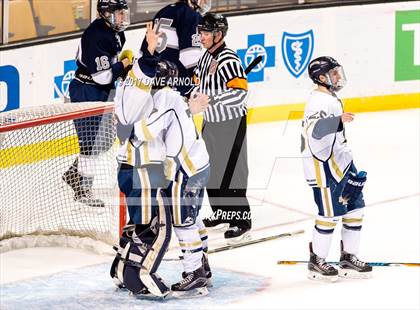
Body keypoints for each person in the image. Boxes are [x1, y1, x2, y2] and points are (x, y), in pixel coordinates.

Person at [134, 59, 211, 297]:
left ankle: (195, 272)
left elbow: (146, 131)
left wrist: (127, 126)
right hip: (199, 164)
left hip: (185, 170)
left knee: (182, 222)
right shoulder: (174, 96)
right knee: (193, 218)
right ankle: (203, 267)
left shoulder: (165, 97)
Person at [301, 56, 373, 281]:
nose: (338, 76)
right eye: (333, 73)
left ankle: (349, 256)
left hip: (342, 162)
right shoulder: (317, 101)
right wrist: (338, 120)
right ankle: (317, 260)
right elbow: (314, 131)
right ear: (321, 78)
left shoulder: (330, 97)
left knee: (355, 208)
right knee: (329, 214)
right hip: (322, 166)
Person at [63, 0, 132, 208]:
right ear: (106, 13)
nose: (122, 18)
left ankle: (74, 174)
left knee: (105, 139)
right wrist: (123, 65)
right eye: (119, 14)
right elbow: (103, 76)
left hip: (99, 90)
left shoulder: (116, 33)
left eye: (123, 13)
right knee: (91, 142)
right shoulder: (96, 35)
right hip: (86, 89)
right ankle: (82, 188)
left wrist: (122, 67)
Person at [193, 13, 252, 243]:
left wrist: (213, 100)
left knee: (233, 173)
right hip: (210, 123)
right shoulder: (205, 58)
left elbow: (240, 94)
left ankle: (242, 221)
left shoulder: (229, 60)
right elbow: (199, 84)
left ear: (218, 34)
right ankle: (222, 212)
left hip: (231, 123)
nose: (202, 36)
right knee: (213, 172)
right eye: (201, 32)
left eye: (206, 32)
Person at [139, 0, 211, 96]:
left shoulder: (163, 11)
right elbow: (190, 58)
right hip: (177, 86)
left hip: (151, 82)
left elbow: (143, 54)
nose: (206, 2)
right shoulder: (191, 16)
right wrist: (201, 86)